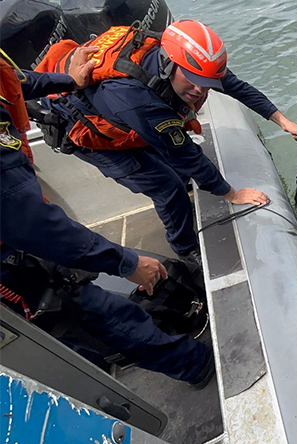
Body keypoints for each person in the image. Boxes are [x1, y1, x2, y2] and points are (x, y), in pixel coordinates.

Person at [0, 48, 214, 389]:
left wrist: (70, 80)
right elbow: (37, 226)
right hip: (11, 247)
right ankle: (195, 366)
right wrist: (127, 263)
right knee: (86, 309)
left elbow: (18, 80)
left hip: (17, 215)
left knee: (70, 286)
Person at [36, 20, 297, 266]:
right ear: (168, 63)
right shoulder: (138, 100)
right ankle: (186, 248)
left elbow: (237, 86)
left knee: (174, 166)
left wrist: (282, 120)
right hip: (90, 133)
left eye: (207, 83)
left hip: (123, 117)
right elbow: (186, 155)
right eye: (194, 81)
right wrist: (231, 194)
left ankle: (181, 211)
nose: (201, 90)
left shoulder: (195, 65)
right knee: (168, 186)